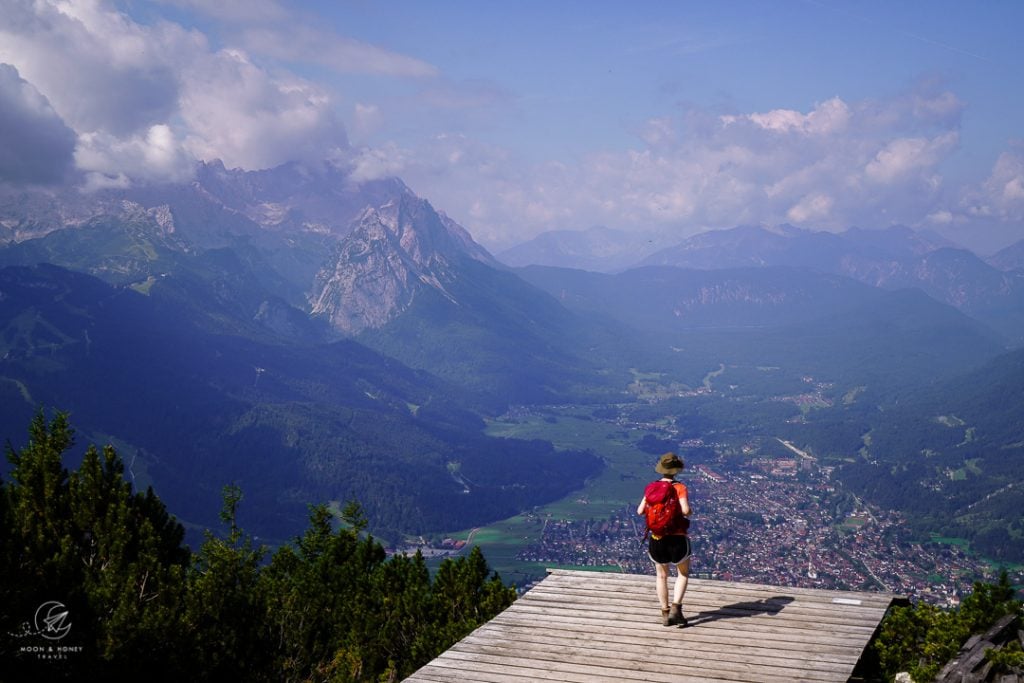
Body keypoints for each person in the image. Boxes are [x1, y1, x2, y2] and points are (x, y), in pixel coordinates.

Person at [637, 452, 691, 626]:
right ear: (676, 470)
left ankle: (665, 613)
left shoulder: (651, 487)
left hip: (657, 537)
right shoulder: (680, 487)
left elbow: (639, 511)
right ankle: (677, 609)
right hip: (677, 538)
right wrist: (689, 512)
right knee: (682, 573)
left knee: (661, 576)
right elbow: (685, 510)